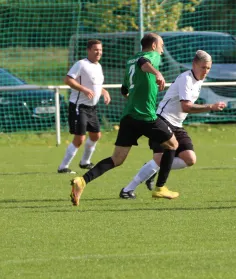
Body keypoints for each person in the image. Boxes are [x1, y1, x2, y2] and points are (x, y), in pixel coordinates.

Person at [70, 33, 179, 206]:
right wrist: (157, 73)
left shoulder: (130, 60)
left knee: (117, 159)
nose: (162, 49)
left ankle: (82, 181)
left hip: (128, 116)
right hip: (145, 115)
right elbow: (144, 63)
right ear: (153, 46)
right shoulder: (151, 56)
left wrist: (139, 94)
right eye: (161, 45)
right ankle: (160, 188)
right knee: (173, 145)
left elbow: (124, 89)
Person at [119, 50, 225, 199]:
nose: (206, 71)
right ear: (194, 64)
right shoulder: (186, 79)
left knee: (190, 159)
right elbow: (186, 107)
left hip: (177, 124)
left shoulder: (199, 80)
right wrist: (211, 107)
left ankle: (153, 169)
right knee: (159, 159)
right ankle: (127, 190)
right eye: (203, 67)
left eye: (208, 68)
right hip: (163, 120)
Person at [57, 39, 110, 174]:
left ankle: (85, 162)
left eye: (100, 50)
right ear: (89, 50)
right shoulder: (81, 64)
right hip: (79, 106)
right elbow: (68, 79)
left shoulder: (98, 66)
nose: (99, 52)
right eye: (96, 50)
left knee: (95, 135)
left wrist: (104, 91)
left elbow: (96, 85)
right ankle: (63, 167)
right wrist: (84, 90)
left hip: (92, 108)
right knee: (80, 138)